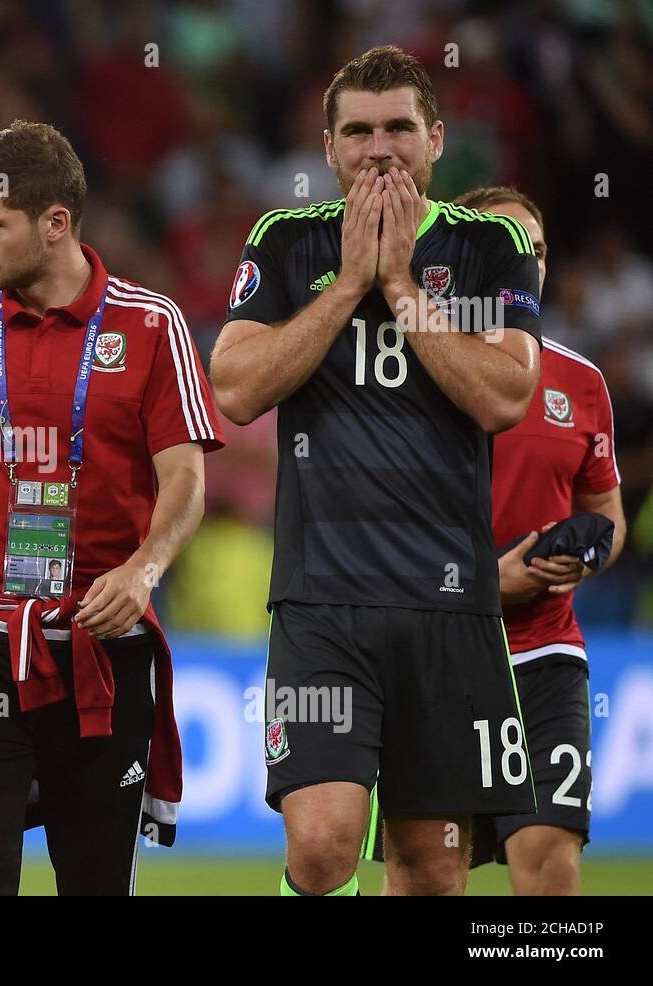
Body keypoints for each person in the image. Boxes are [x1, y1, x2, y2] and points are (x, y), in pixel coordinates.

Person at [211, 46, 543, 896]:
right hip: (323, 600)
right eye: (358, 131)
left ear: (435, 139)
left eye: (400, 127)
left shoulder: (490, 244)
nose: (380, 148)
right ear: (328, 148)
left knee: (432, 865)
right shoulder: (284, 242)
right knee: (322, 846)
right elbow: (237, 387)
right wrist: (348, 282)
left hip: (449, 607)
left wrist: (398, 285)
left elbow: (506, 395)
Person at [0, 120, 224, 895]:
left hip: (100, 634)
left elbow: (186, 477)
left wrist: (143, 569)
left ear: (55, 224)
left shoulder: (150, 325)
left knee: (93, 883)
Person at [363, 187, 625, 895]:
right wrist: (482, 583)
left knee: (549, 862)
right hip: (434, 651)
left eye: (536, 250)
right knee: (427, 874)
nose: (527, 263)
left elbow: (606, 507)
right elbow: (368, 524)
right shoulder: (400, 368)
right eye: (510, 246)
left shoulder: (583, 380)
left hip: (545, 654)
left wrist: (589, 550)